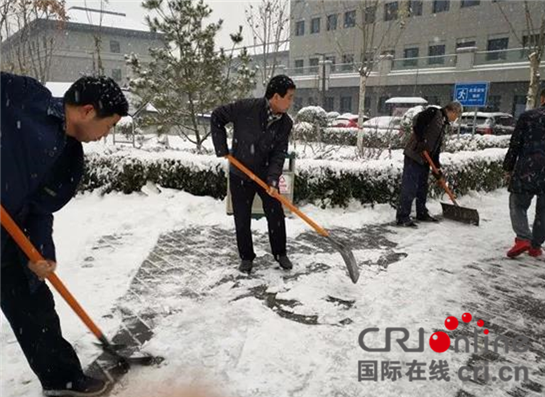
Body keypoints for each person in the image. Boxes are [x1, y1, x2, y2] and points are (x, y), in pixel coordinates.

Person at [1, 72, 129, 396]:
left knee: (35, 307)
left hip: (7, 238)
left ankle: (62, 379)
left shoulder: (70, 160)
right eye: (109, 125)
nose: (106, 134)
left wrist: (43, 253)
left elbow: (40, 209)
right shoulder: (25, 96)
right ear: (87, 111)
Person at [211, 75, 296, 274]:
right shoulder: (245, 108)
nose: (291, 102)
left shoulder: (285, 123)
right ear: (276, 96)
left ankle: (280, 253)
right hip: (240, 172)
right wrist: (221, 148)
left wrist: (273, 179)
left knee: (276, 214)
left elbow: (279, 153)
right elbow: (217, 117)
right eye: (289, 97)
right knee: (242, 218)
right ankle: (246, 257)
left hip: (265, 175)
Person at [396, 101, 463, 227]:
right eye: (457, 115)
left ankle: (421, 212)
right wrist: (421, 140)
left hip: (425, 160)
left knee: (422, 188)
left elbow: (436, 149)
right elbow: (417, 122)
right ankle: (402, 216)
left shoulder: (443, 124)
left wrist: (437, 168)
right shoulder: (434, 112)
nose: (456, 119)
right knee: (410, 187)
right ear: (453, 111)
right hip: (414, 155)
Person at [503, 88, 545, 258]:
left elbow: (515, 145)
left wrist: (508, 167)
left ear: (542, 98)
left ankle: (523, 238)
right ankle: (535, 245)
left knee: (517, 203)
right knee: (544, 211)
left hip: (527, 169)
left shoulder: (528, 117)